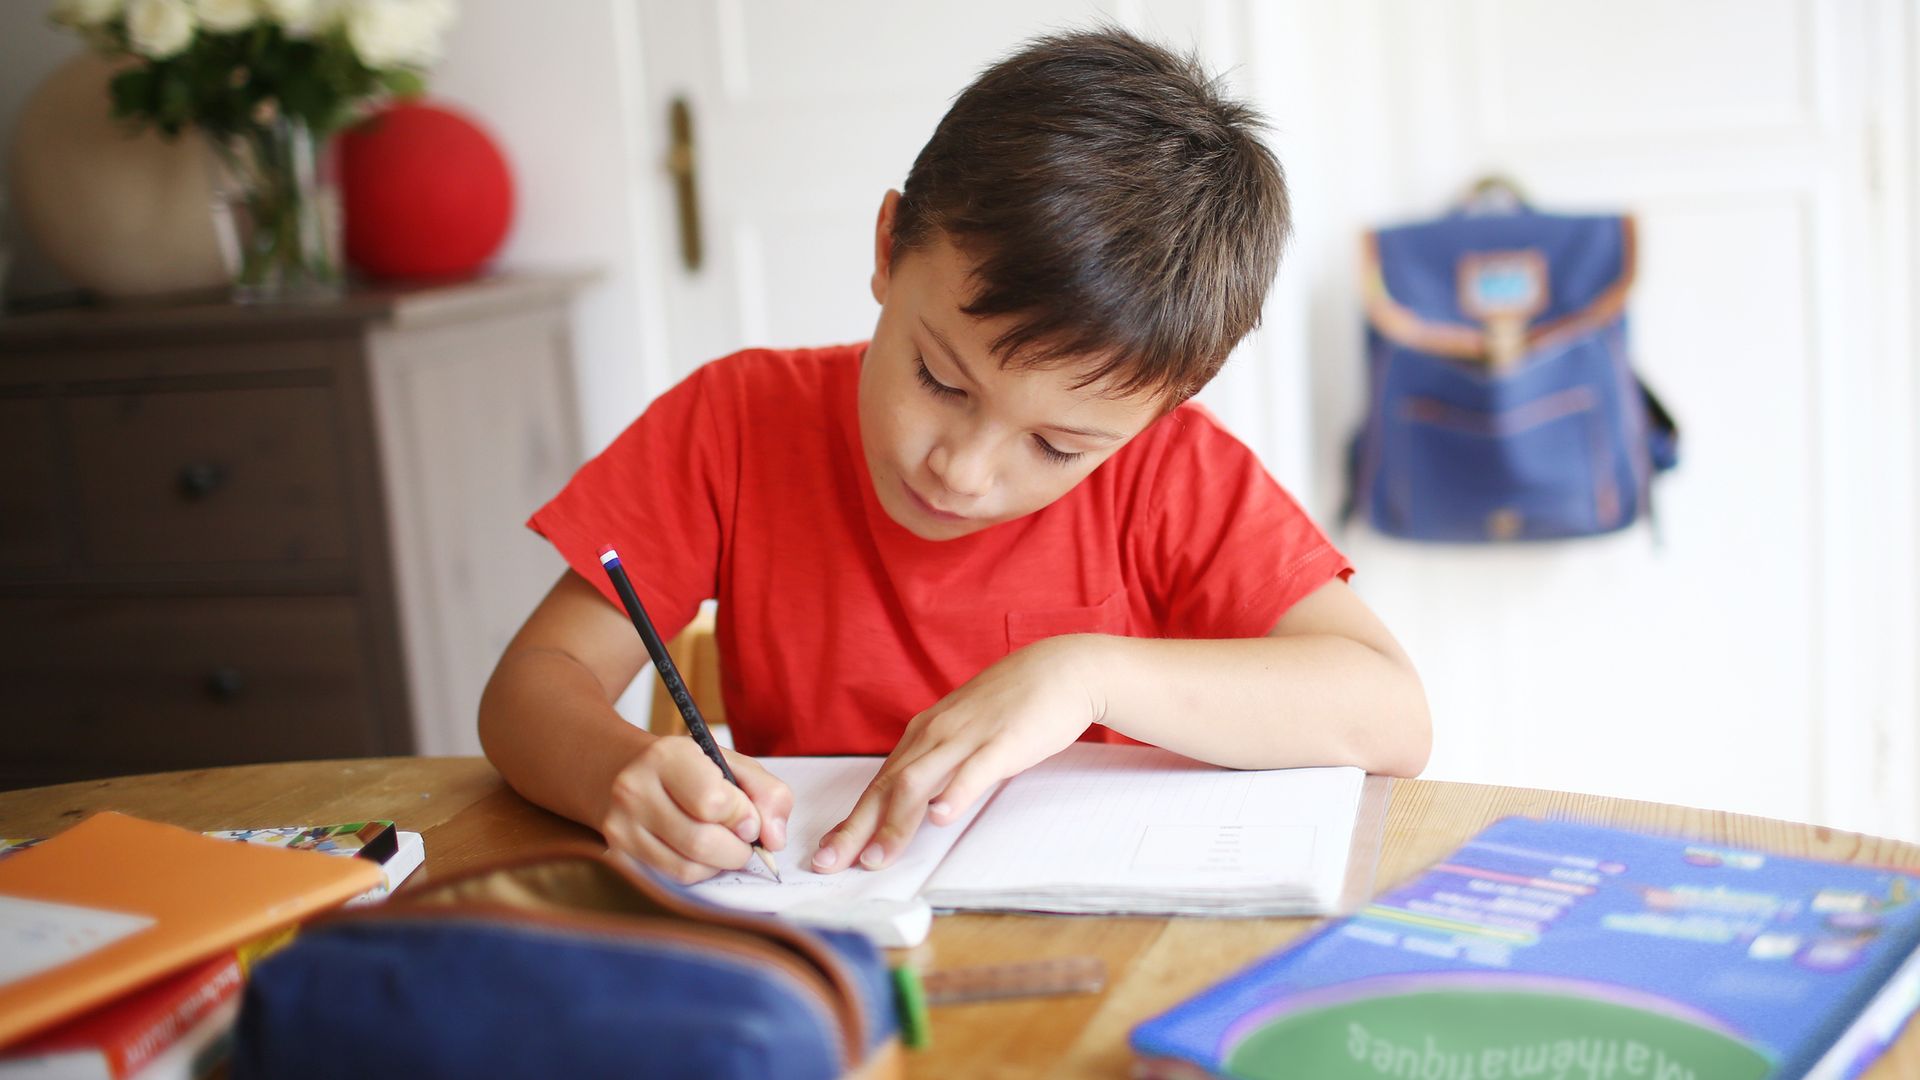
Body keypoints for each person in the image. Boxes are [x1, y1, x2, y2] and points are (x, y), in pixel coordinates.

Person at [478, 27, 1431, 885]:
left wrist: (1084, 675)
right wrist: (615, 771)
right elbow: (531, 685)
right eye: (940, 379)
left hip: (1084, 938)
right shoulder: (735, 422)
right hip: (823, 925)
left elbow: (1391, 715)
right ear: (890, 246)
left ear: (1162, 409)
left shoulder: (1167, 472)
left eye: (1057, 446)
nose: (963, 471)